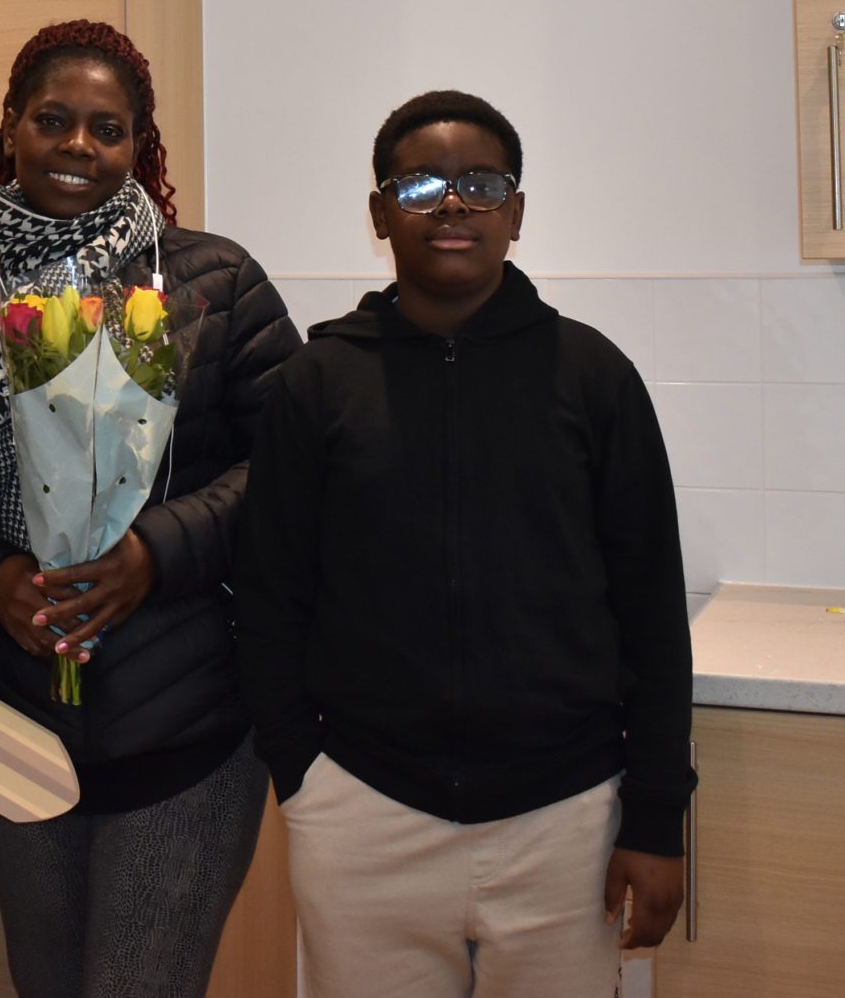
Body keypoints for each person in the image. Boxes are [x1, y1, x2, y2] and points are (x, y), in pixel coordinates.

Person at [235, 89, 696, 997]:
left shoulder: (594, 377)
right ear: (380, 213)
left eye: (482, 183)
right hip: (364, 813)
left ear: (517, 213)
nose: (453, 204)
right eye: (421, 185)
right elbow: (268, 597)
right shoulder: (315, 384)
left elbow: (651, 610)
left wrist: (653, 818)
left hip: (567, 819)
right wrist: (303, 775)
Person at [0, 19, 302, 998]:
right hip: (13, 733)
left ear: (139, 148)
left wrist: (152, 553)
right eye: (53, 120)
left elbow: (292, 472)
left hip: (188, 737)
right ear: (10, 131)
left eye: (106, 128)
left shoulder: (213, 286)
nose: (78, 145)